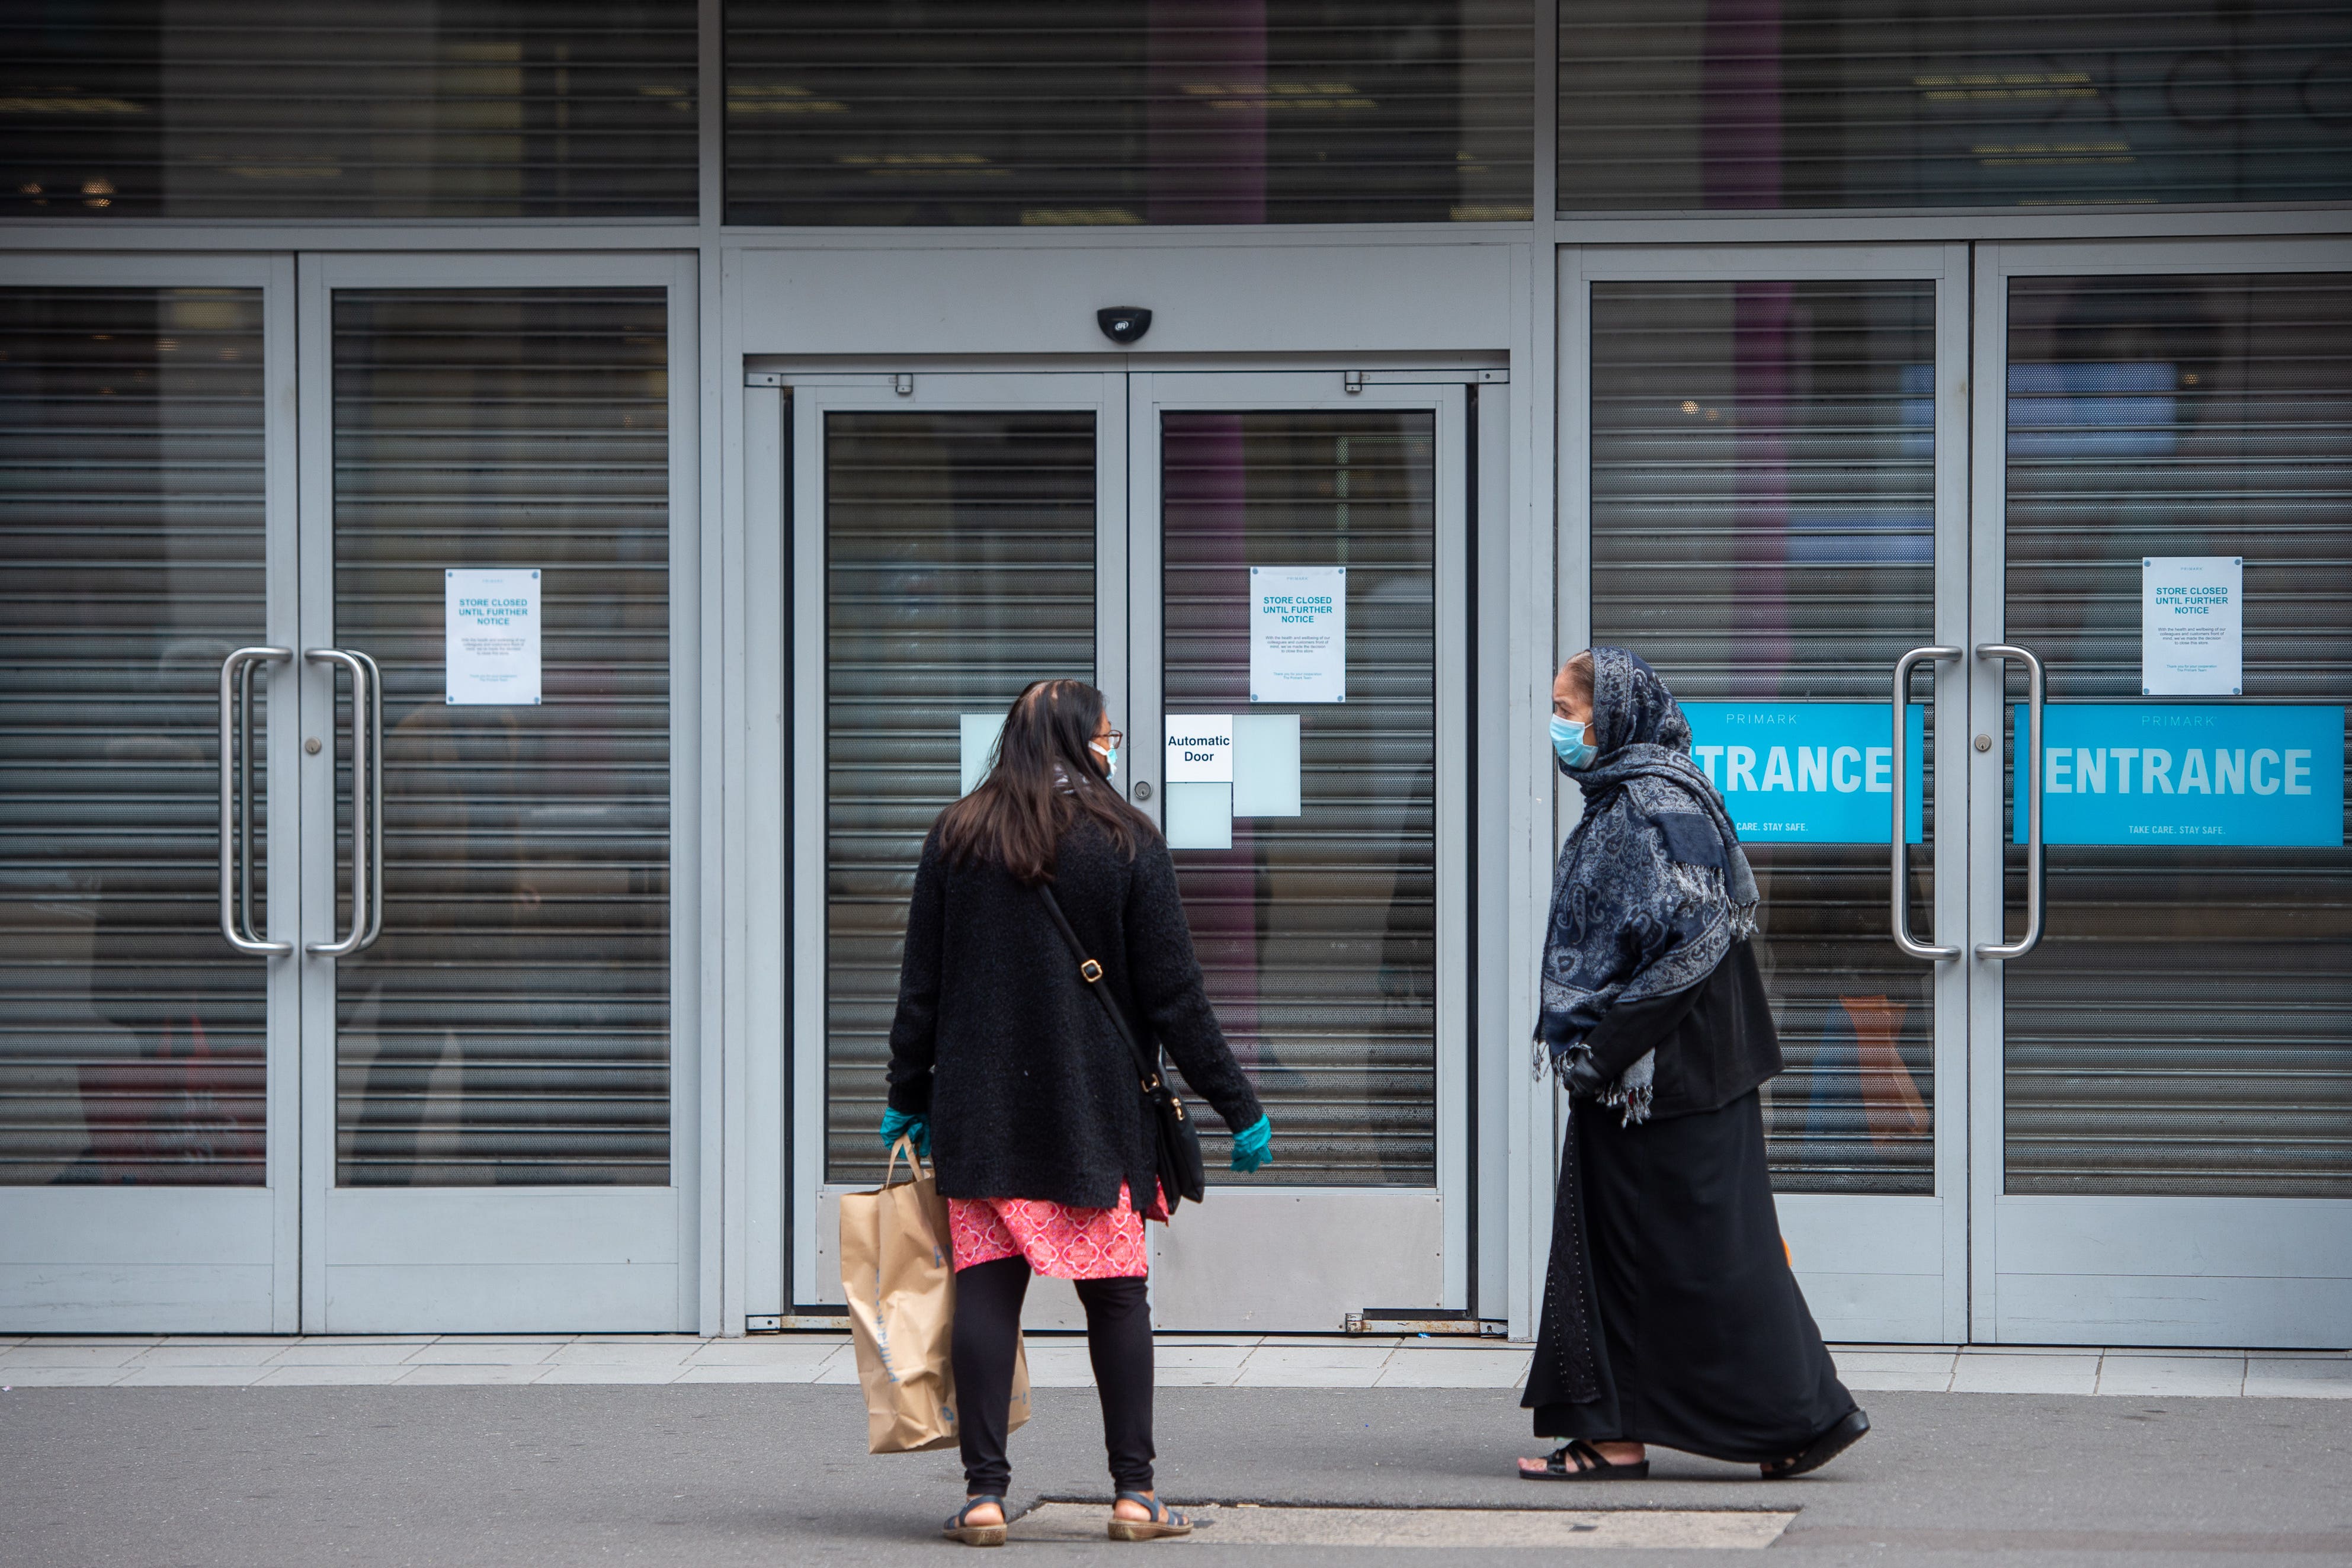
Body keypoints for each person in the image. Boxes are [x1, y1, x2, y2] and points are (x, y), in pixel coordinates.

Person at [881, 678, 1275, 1546]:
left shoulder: (957, 837)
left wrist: (907, 1096)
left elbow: (922, 989)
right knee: (1116, 1300)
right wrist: (1237, 1105)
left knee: (986, 1292)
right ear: (1076, 740)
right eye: (1108, 735)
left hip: (981, 1114)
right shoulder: (1123, 840)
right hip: (1095, 1115)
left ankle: (985, 1496)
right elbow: (1175, 995)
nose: (1111, 748)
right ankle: (1134, 1495)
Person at [1518, 647, 1868, 1482]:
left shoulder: (1652, 807)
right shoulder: (1634, 795)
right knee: (1658, 1253)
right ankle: (1642, 1430)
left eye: (1568, 710)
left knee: (1703, 1257)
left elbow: (1687, 952)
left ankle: (1793, 1418)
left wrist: (1599, 1055)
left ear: (1615, 718)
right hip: (1669, 1071)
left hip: (1664, 1076)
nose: (1558, 726)